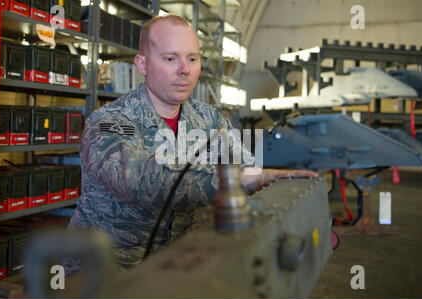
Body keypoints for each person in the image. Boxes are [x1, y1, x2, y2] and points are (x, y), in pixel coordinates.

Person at [67, 14, 318, 271]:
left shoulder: (209, 120)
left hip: (175, 269)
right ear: (142, 65)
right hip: (103, 274)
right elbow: (135, 180)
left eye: (192, 58)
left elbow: (247, 169)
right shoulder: (109, 121)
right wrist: (234, 180)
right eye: (170, 58)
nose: (184, 69)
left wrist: (266, 181)